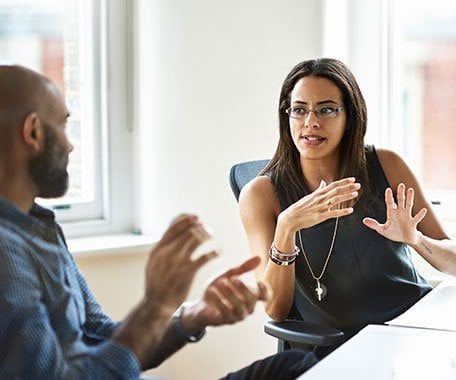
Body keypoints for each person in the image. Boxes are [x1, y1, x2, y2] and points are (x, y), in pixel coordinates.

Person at [0, 65, 317, 379]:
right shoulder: (6, 251)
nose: (70, 145)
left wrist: (193, 315)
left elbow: (105, 342)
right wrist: (157, 303)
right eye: (62, 126)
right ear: (33, 132)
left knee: (297, 367)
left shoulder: (39, 227)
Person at [238, 58, 456, 357]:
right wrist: (287, 227)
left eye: (327, 109)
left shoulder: (387, 164)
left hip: (413, 331)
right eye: (299, 109)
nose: (311, 122)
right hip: (341, 349)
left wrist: (416, 240)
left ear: (351, 116)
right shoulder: (260, 194)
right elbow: (275, 310)